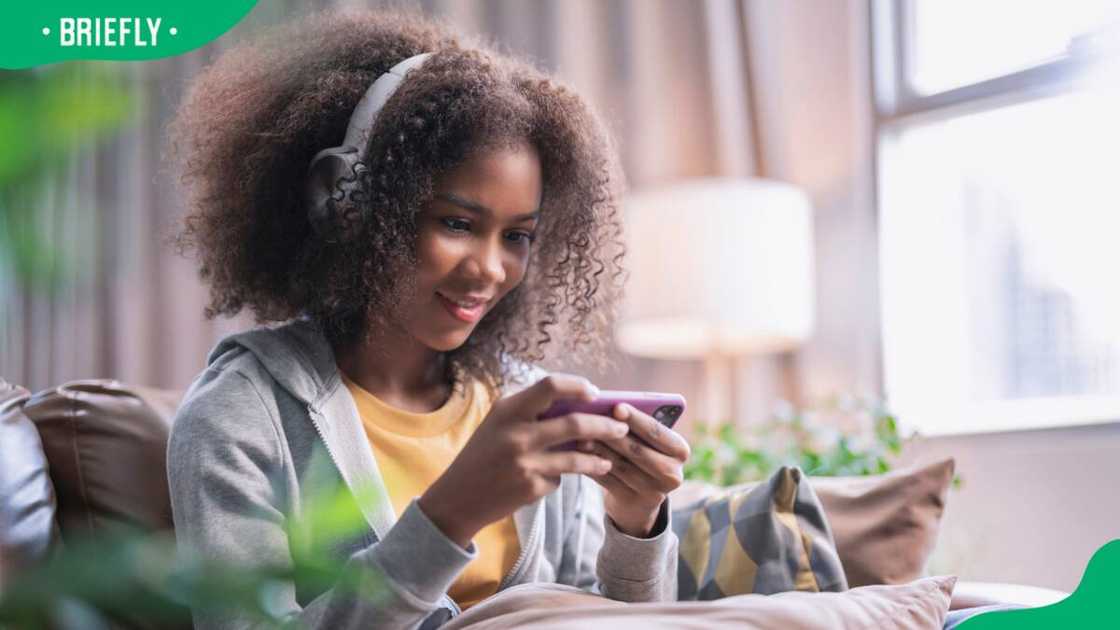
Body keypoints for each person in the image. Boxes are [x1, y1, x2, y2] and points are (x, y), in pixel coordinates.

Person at [166, 8, 690, 630]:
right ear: (351, 205)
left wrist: (637, 524)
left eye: (517, 235)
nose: (490, 269)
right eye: (457, 224)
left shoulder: (527, 403)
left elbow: (603, 617)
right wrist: (447, 517)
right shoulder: (238, 419)